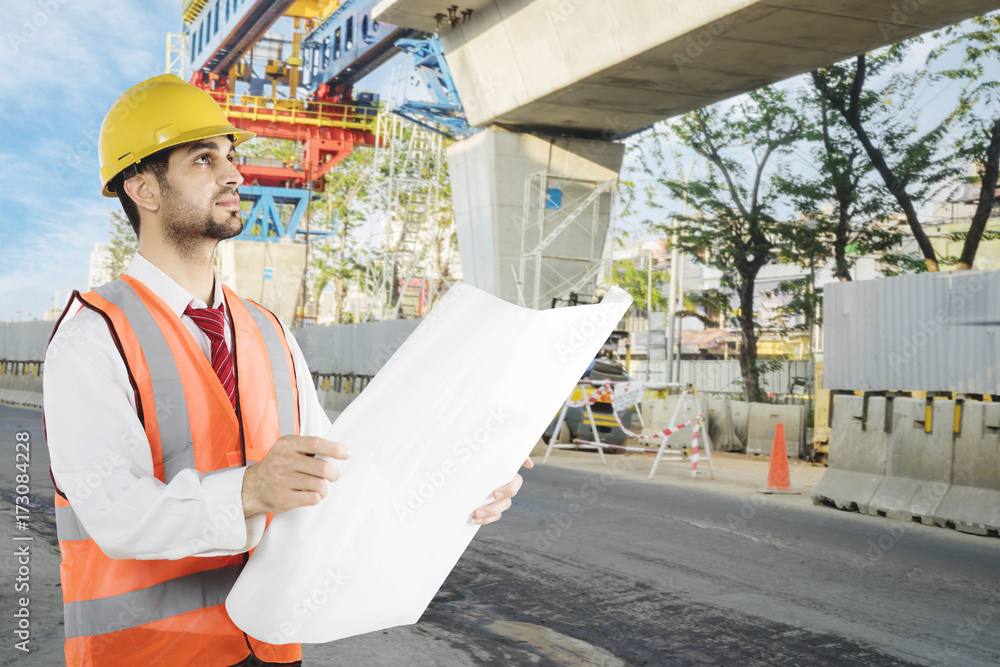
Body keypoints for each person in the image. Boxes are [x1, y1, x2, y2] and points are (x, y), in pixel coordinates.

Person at [43, 73, 530, 666]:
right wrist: (249, 490)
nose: (234, 174)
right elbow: (114, 512)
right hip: (146, 656)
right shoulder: (93, 336)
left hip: (271, 648)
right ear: (143, 189)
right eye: (204, 158)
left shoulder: (267, 330)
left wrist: (461, 477)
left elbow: (333, 476)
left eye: (232, 156)